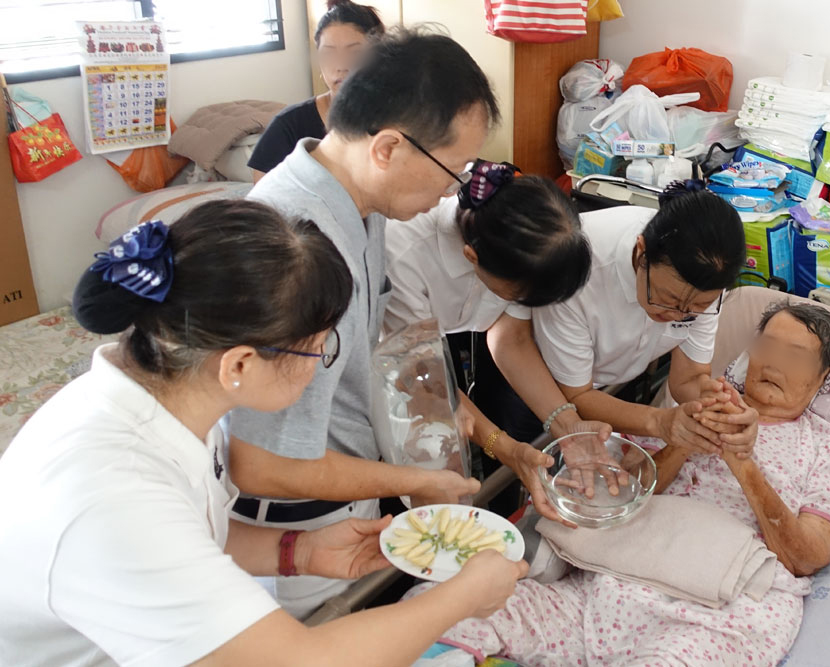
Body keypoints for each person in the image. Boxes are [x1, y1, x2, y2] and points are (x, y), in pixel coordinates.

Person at [0, 201, 528, 667]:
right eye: (318, 350)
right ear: (240, 364)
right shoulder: (115, 495)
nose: (324, 364)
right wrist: (465, 594)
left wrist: (299, 552)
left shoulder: (163, 403)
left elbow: (194, 532)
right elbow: (300, 660)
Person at [227, 28, 502, 619]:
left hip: (340, 485)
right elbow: (260, 462)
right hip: (292, 512)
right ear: (387, 148)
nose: (457, 189)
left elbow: (370, 348)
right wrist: (413, 481)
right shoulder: (298, 244)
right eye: (453, 169)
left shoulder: (357, 200)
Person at [423, 301, 830, 666]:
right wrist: (683, 440)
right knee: (447, 612)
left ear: (824, 377)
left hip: (715, 617)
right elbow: (617, 489)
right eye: (768, 345)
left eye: (796, 355)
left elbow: (806, 557)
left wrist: (743, 463)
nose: (774, 362)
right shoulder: (688, 408)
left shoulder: (827, 452)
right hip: (603, 591)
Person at [384, 161, 610, 526]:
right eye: (521, 297)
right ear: (472, 257)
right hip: (390, 357)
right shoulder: (405, 251)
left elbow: (513, 339)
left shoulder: (522, 247)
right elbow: (424, 383)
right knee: (430, 480)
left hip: (438, 336)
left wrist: (566, 423)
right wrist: (505, 449)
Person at [531, 181, 758, 459]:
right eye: (666, 299)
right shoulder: (577, 268)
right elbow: (577, 394)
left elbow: (688, 378)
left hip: (609, 387)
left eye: (697, 306)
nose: (677, 315)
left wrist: (716, 406)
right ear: (641, 253)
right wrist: (660, 422)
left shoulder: (708, 276)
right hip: (539, 382)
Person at [248, 0, 384, 181]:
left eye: (355, 53)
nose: (341, 65)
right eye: (329, 53)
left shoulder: (403, 118)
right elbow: (262, 200)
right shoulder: (289, 125)